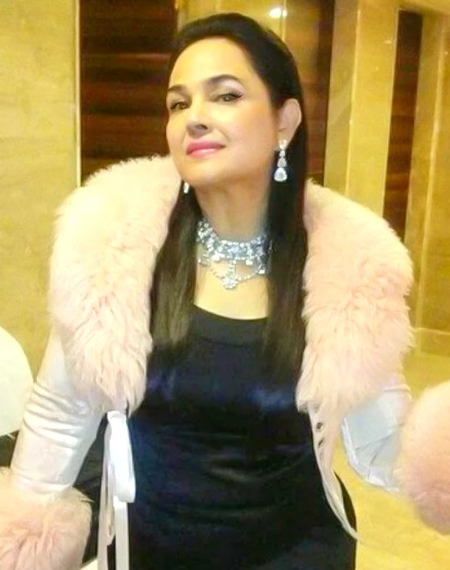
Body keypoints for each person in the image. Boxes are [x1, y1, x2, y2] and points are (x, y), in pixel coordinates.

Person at [1, 12, 450, 570]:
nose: (194, 118)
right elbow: (59, 412)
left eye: (226, 96)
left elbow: (387, 444)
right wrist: (22, 542)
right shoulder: (111, 250)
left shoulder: (347, 269)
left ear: (284, 121)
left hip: (299, 553)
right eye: (178, 104)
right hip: (153, 550)